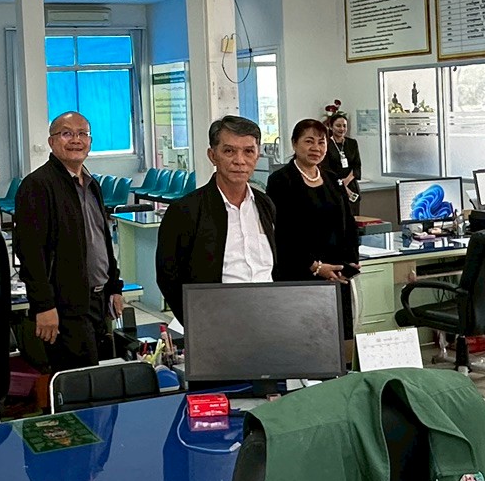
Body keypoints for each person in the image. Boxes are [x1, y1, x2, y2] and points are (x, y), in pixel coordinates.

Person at [11, 111, 122, 372]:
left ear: (90, 141)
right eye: (66, 133)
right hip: (65, 307)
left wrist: (114, 286)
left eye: (83, 134)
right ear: (52, 141)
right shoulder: (37, 185)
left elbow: (102, 240)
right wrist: (44, 305)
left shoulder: (91, 184)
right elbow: (30, 253)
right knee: (79, 383)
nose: (76, 140)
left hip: (98, 301)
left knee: (101, 376)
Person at [155, 115, 278, 321]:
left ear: (257, 156)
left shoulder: (265, 204)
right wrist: (197, 323)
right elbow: (168, 277)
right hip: (215, 320)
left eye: (248, 151)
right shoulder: (185, 210)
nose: (239, 161)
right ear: (212, 155)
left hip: (268, 316)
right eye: (229, 151)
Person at [266, 117, 360, 291]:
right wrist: (315, 267)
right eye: (309, 141)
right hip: (299, 274)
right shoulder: (280, 181)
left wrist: (351, 262)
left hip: (338, 274)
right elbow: (283, 233)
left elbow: (348, 222)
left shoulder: (332, 179)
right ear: (294, 144)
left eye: (321, 142)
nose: (316, 148)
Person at [323, 107, 364, 203]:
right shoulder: (326, 144)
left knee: (353, 210)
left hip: (351, 184)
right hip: (333, 185)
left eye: (344, 126)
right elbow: (326, 168)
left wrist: (346, 181)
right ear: (331, 127)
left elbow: (357, 165)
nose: (342, 129)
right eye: (338, 126)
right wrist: (340, 184)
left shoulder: (352, 143)